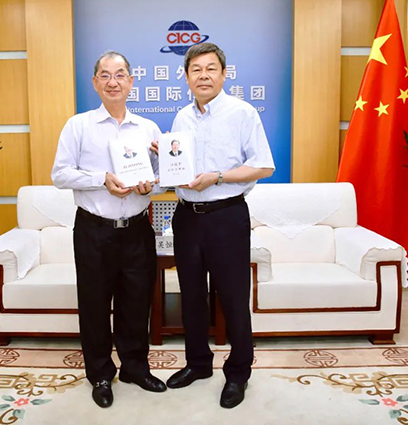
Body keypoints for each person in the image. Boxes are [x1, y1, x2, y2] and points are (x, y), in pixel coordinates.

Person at [51, 50, 166, 409]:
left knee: (137, 302)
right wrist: (102, 179)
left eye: (119, 75)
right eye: (105, 75)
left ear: (131, 82)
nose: (112, 82)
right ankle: (100, 374)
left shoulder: (147, 128)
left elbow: (162, 178)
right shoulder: (78, 126)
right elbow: (60, 175)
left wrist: (150, 187)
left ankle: (135, 368)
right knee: (95, 304)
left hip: (137, 230)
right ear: (95, 82)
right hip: (94, 231)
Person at [165, 43, 274, 408]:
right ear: (186, 77)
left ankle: (239, 372)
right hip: (186, 217)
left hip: (226, 216)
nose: (204, 76)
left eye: (211, 69)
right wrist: (165, 164)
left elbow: (263, 166)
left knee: (233, 297)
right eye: (196, 69)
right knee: (191, 295)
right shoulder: (182, 118)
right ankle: (198, 363)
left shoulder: (242, 113)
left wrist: (218, 177)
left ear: (224, 74)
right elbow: (180, 169)